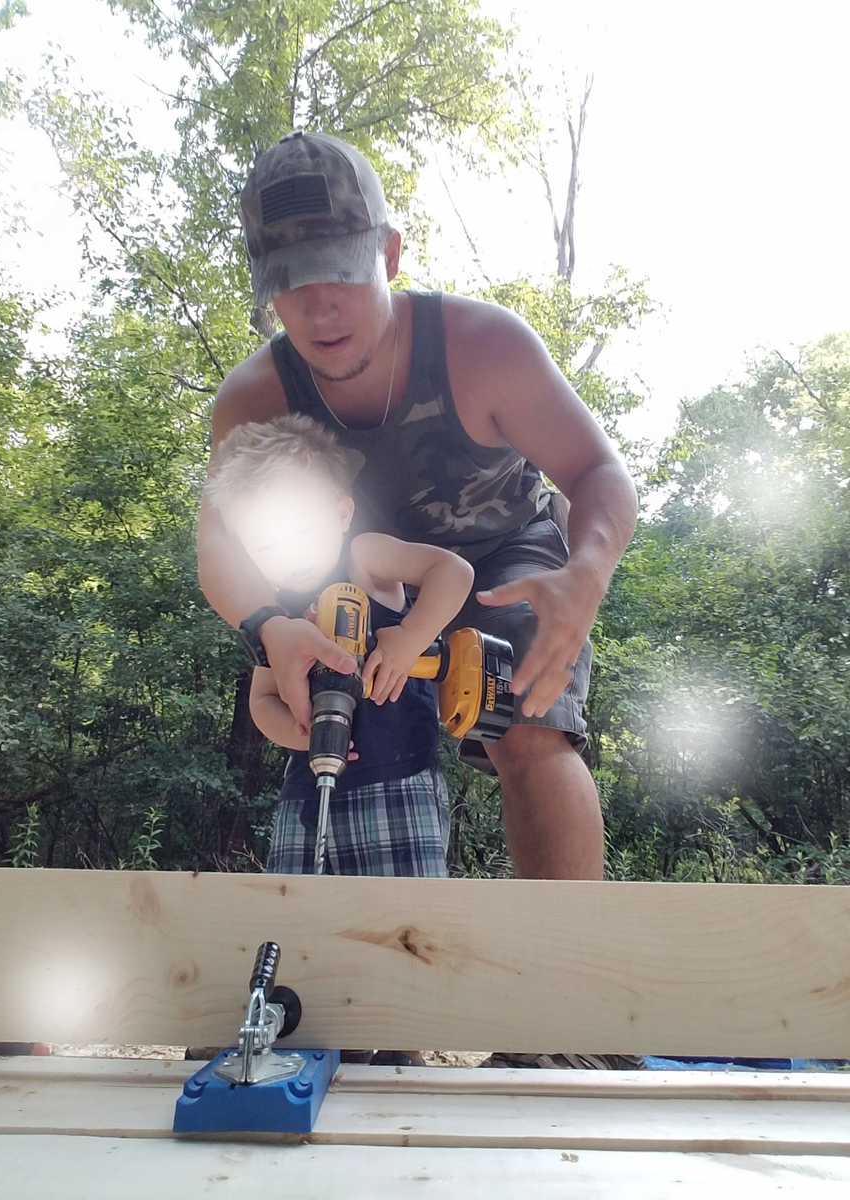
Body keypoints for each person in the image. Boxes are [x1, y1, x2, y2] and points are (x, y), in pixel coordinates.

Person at [196, 131, 641, 1069]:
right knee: (326, 745)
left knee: (527, 726)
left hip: (507, 557)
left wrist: (585, 575)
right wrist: (269, 629)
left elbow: (598, 471)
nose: (319, 308)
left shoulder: (483, 347)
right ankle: (354, 1010)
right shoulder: (253, 395)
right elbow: (216, 544)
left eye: (341, 274)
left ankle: (567, 1025)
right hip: (350, 578)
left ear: (389, 255)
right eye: (291, 281)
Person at [204, 412, 474, 1069]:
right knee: (302, 920)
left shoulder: (367, 559)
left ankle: (404, 1046)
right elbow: (263, 701)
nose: (289, 557)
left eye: (302, 532)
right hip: (308, 793)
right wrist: (291, 730)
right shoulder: (276, 616)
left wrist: (409, 638)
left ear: (342, 510)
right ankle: (322, 1040)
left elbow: (453, 572)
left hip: (399, 780)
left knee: (404, 918)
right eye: (264, 547)